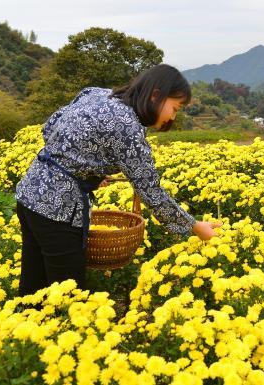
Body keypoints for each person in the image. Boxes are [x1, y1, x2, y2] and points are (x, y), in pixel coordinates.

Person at [15, 64, 221, 296]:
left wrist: (86, 170)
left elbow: (51, 127)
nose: (173, 116)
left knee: (33, 288)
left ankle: (20, 329)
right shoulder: (128, 128)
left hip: (31, 193)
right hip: (57, 208)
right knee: (68, 297)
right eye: (175, 108)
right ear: (155, 95)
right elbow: (151, 192)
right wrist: (194, 226)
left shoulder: (96, 93)